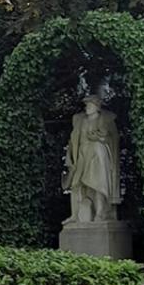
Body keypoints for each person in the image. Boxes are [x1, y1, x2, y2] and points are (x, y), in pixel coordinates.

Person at [63, 94, 121, 224]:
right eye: (86, 105)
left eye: (90, 105)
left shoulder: (105, 119)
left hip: (98, 156)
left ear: (97, 107)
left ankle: (100, 214)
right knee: (75, 185)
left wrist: (100, 139)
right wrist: (71, 157)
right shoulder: (80, 120)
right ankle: (75, 215)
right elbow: (73, 141)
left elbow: (114, 139)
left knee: (98, 185)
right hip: (82, 156)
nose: (87, 107)